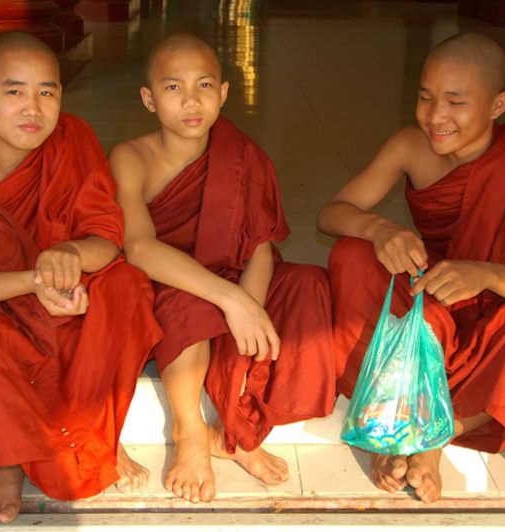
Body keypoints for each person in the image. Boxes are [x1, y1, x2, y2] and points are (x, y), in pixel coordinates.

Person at [317, 32, 505, 504]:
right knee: (352, 256)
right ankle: (390, 426)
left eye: (456, 102)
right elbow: (332, 213)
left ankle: (432, 437)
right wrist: (380, 229)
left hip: (498, 315)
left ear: (499, 104)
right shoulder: (411, 145)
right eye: (425, 97)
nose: (435, 116)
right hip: (433, 298)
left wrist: (489, 275)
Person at [0, 32, 162, 524]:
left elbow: (107, 239)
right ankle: (8, 461)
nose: (33, 108)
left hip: (62, 299)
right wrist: (36, 280)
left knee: (124, 288)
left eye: (47, 92)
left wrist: (70, 254)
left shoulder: (73, 140)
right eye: (14, 91)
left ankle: (98, 435)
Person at [110, 32, 336, 504]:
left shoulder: (242, 156)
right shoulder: (131, 157)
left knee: (308, 287)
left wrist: (249, 306)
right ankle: (191, 433)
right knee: (190, 302)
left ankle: (233, 432)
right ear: (149, 99)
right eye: (173, 88)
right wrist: (230, 300)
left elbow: (257, 244)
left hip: (234, 277)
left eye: (205, 86)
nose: (191, 101)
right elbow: (138, 247)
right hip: (170, 285)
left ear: (225, 93)